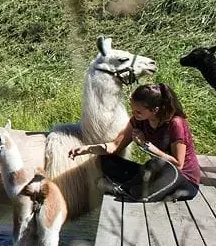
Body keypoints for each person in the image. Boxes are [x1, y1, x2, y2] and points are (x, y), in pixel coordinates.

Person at [69, 83, 201, 202]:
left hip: (183, 180)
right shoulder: (138, 121)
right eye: (132, 110)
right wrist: (86, 149)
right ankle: (131, 189)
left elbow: (178, 164)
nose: (134, 114)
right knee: (105, 160)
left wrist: (148, 146)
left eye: (138, 111)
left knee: (156, 164)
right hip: (154, 174)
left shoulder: (176, 123)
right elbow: (114, 146)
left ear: (154, 110)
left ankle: (123, 189)